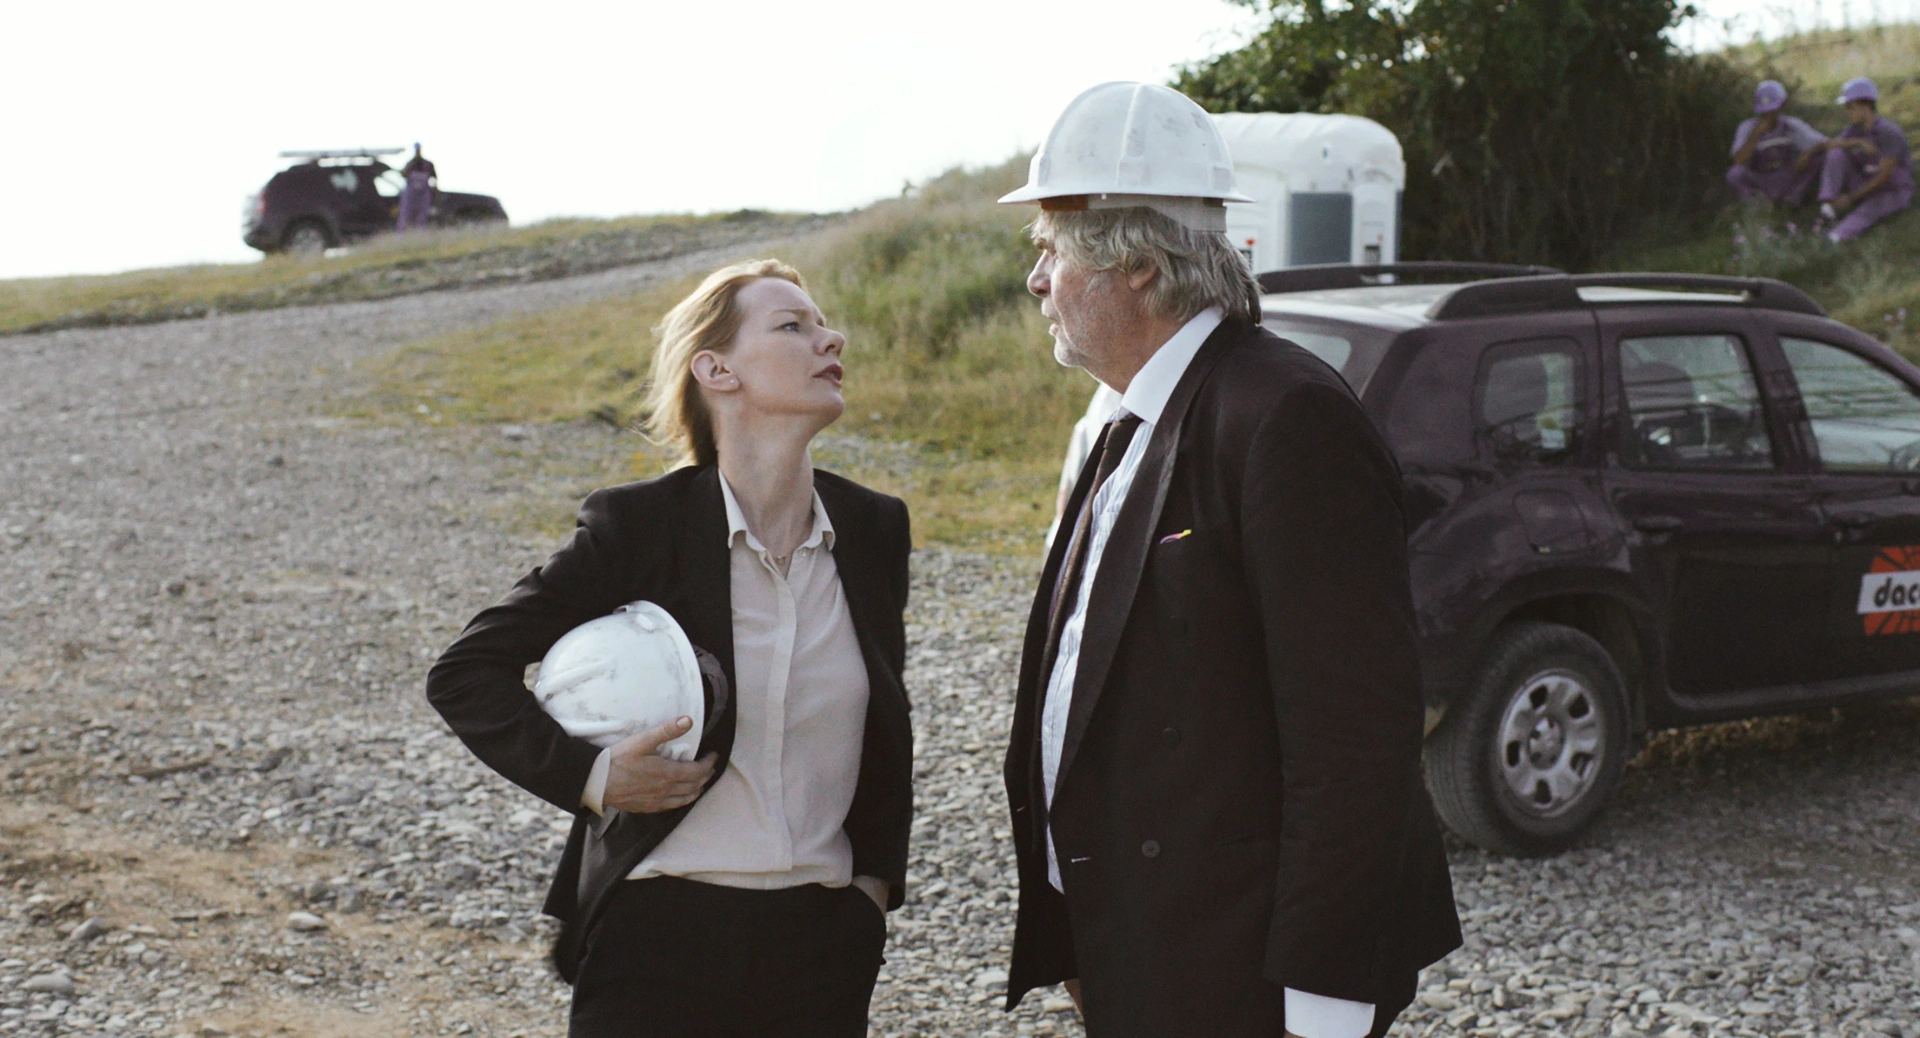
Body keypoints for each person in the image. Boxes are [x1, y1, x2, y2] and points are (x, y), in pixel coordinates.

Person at [996, 81, 1460, 1038]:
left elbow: (1354, 737)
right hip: (1145, 947)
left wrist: (1324, 1005)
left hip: (1244, 972)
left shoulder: (1286, 417)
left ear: (1132, 263)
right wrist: (1076, 936)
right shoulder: (1132, 420)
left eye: (1049, 251)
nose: (1036, 281)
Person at [426, 259, 914, 1038]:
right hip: (657, 936)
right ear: (716, 369)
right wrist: (592, 776)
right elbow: (465, 672)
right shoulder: (639, 527)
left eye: (821, 323)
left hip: (824, 946)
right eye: (793, 325)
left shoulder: (874, 529)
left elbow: (886, 721)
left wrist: (872, 891)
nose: (831, 338)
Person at [1809, 78, 1913, 242]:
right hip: (1865, 180)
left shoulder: (1889, 132)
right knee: (1836, 153)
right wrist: (1857, 142)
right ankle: (1827, 208)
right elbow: (1830, 146)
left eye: (1850, 107)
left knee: (1870, 209)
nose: (1847, 112)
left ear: (1865, 106)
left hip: (1892, 189)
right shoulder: (1853, 130)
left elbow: (1884, 176)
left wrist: (1851, 198)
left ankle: (1835, 237)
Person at [1726, 80, 1825, 205]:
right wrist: (1756, 134)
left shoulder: (1790, 125)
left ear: (1781, 107)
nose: (1768, 115)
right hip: (1760, 177)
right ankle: (1755, 204)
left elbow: (1823, 142)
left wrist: (1808, 153)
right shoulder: (1747, 127)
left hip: (1787, 175)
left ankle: (1792, 200)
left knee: (1819, 159)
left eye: (1772, 111)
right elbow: (1738, 160)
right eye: (1764, 112)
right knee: (1734, 174)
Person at [397, 142, 437, 232]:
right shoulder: (410, 164)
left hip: (423, 196)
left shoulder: (428, 164)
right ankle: (403, 234)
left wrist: (435, 193)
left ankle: (420, 235)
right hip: (410, 196)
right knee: (406, 217)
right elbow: (403, 174)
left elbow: (435, 179)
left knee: (422, 217)